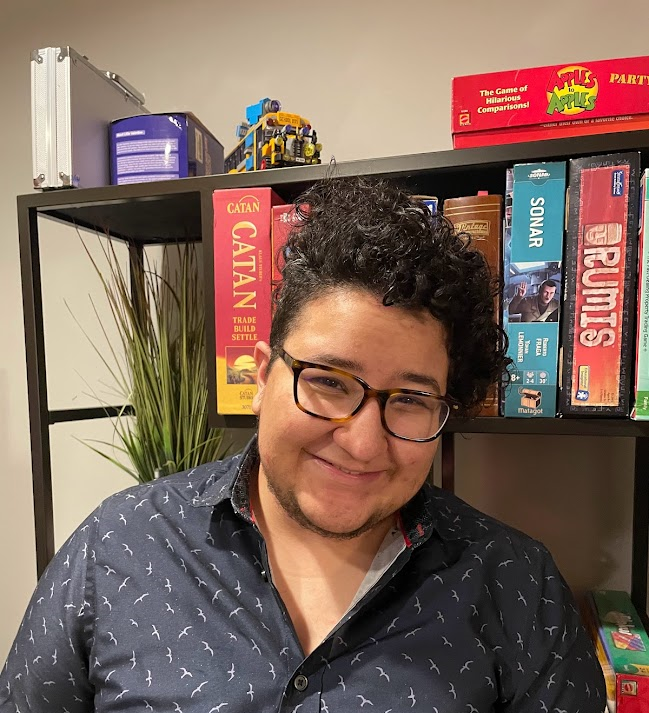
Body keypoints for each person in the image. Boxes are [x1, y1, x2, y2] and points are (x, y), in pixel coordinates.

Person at [1, 177, 604, 712]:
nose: (363, 443)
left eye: (411, 399)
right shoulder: (118, 547)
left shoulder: (515, 583)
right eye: (327, 382)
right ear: (262, 377)